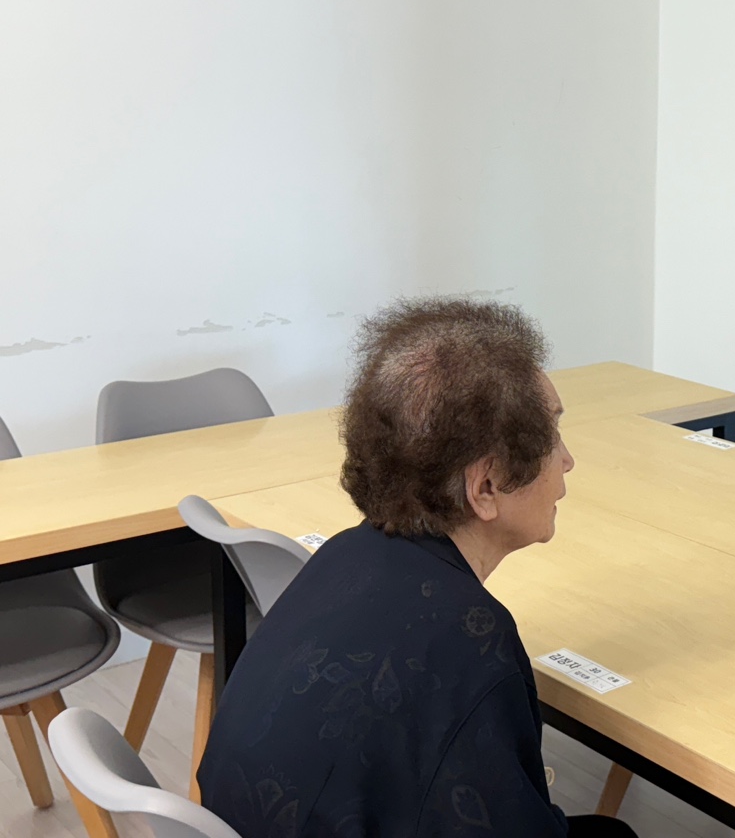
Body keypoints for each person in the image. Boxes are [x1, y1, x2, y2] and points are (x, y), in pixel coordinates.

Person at [198, 298, 637, 837]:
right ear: (486, 487)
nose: (567, 460)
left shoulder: (342, 555)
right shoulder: (468, 639)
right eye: (552, 436)